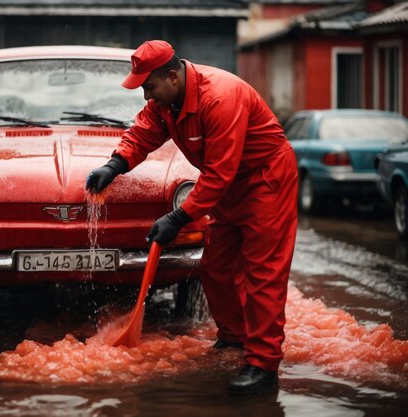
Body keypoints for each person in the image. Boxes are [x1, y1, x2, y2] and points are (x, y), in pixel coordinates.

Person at [86, 40, 298, 394]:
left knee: (263, 274)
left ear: (172, 76)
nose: (146, 97)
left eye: (148, 87)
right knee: (215, 268)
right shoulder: (165, 102)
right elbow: (142, 134)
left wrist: (178, 217)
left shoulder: (221, 98)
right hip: (227, 185)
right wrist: (115, 164)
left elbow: (218, 173)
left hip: (265, 181)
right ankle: (234, 338)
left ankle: (262, 365)